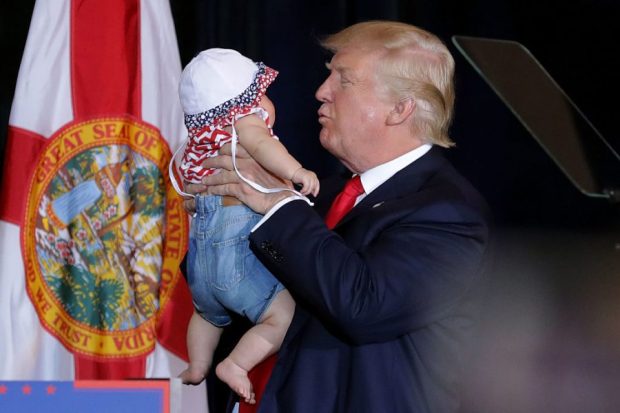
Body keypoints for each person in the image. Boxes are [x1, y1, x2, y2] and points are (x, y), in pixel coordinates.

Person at [186, 21, 491, 413]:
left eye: (343, 80)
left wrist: (277, 205)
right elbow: (236, 295)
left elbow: (361, 306)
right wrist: (216, 218)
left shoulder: (448, 213)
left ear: (400, 109)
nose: (321, 91)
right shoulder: (325, 194)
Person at [170, 48, 319, 404]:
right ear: (245, 101)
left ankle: (198, 365)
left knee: (206, 315)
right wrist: (296, 172)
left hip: (200, 263)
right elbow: (263, 146)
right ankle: (235, 364)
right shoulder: (243, 123)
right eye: (261, 93)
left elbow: (189, 192)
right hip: (235, 253)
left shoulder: (197, 143)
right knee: (282, 317)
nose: (266, 103)